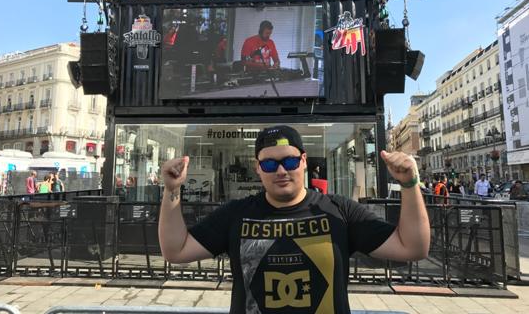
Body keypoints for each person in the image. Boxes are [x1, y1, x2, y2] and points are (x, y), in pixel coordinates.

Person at [159, 125, 430, 313]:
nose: (280, 171)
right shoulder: (236, 214)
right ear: (257, 168)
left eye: (288, 162)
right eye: (268, 164)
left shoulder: (339, 211)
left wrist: (410, 184)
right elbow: (175, 250)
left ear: (303, 161)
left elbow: (413, 247)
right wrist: (172, 190)